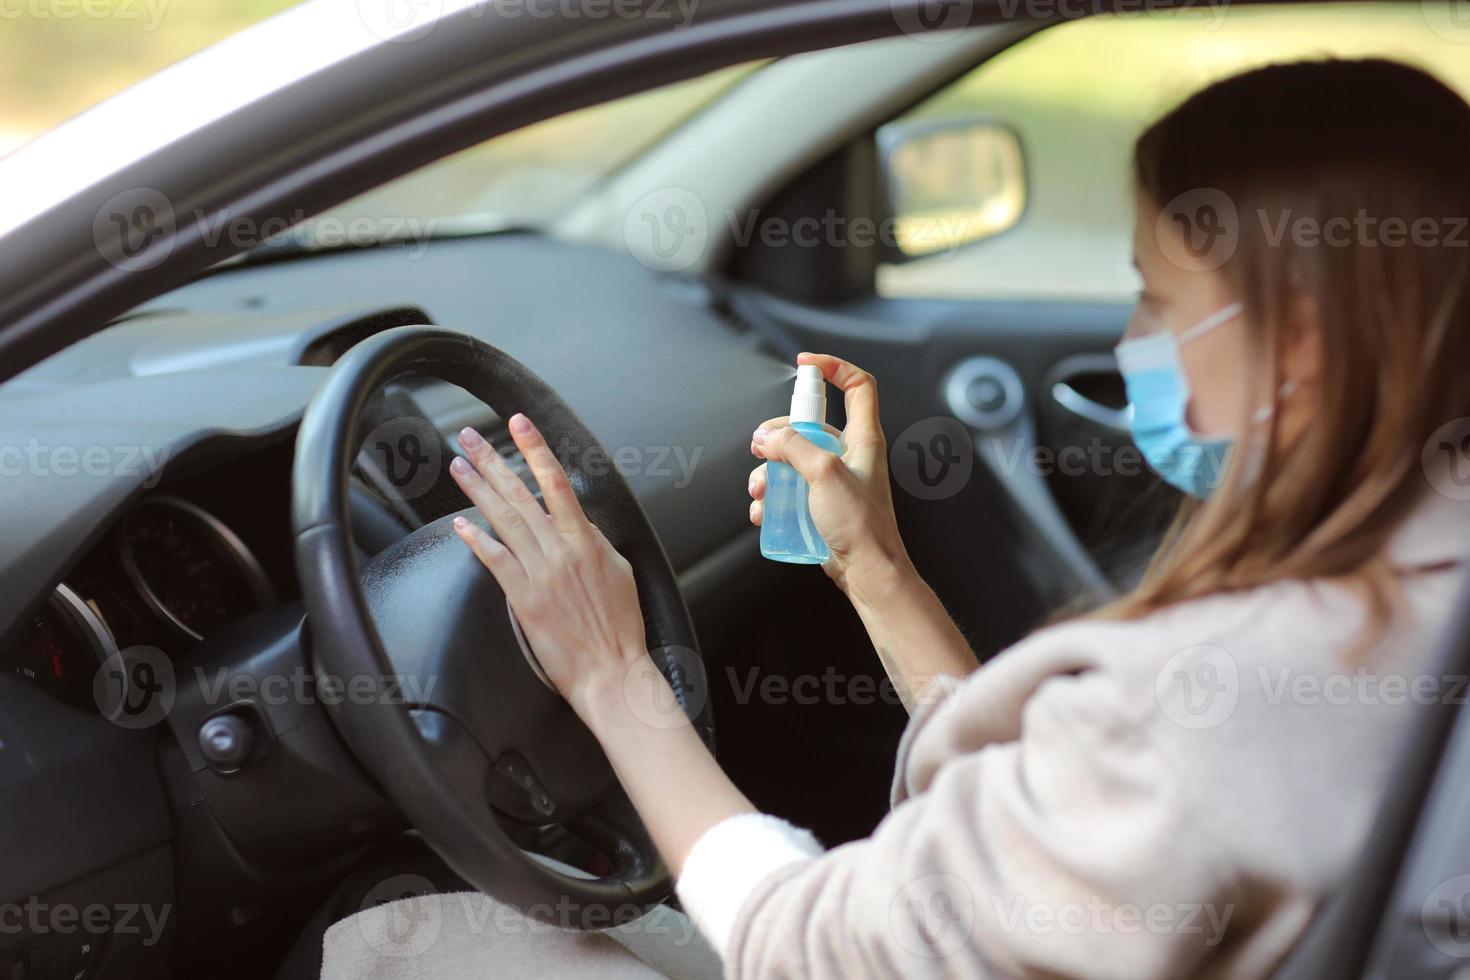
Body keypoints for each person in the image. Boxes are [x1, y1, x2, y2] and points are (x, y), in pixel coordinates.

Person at [321, 57, 1470, 978]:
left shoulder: (1223, 698)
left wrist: (616, 679)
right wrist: (877, 570)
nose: (1131, 343)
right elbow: (1047, 811)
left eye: (1157, 299)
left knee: (393, 941)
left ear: (1305, 345)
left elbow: (806, 945)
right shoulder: (1417, 579)